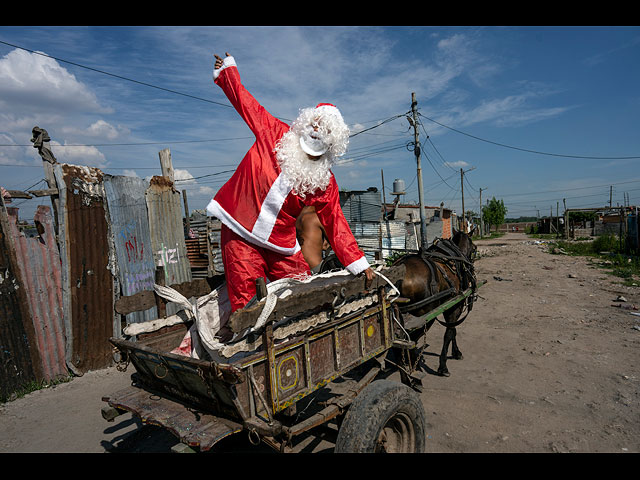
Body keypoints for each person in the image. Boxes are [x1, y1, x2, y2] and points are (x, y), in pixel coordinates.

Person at [207, 53, 374, 312]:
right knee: (249, 307)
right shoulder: (273, 132)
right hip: (240, 232)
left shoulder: (325, 182)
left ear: (332, 143)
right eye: (316, 125)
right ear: (306, 124)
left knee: (305, 294)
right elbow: (245, 102)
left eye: (325, 131)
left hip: (281, 245)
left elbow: (336, 223)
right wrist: (228, 72)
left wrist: (360, 264)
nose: (318, 131)